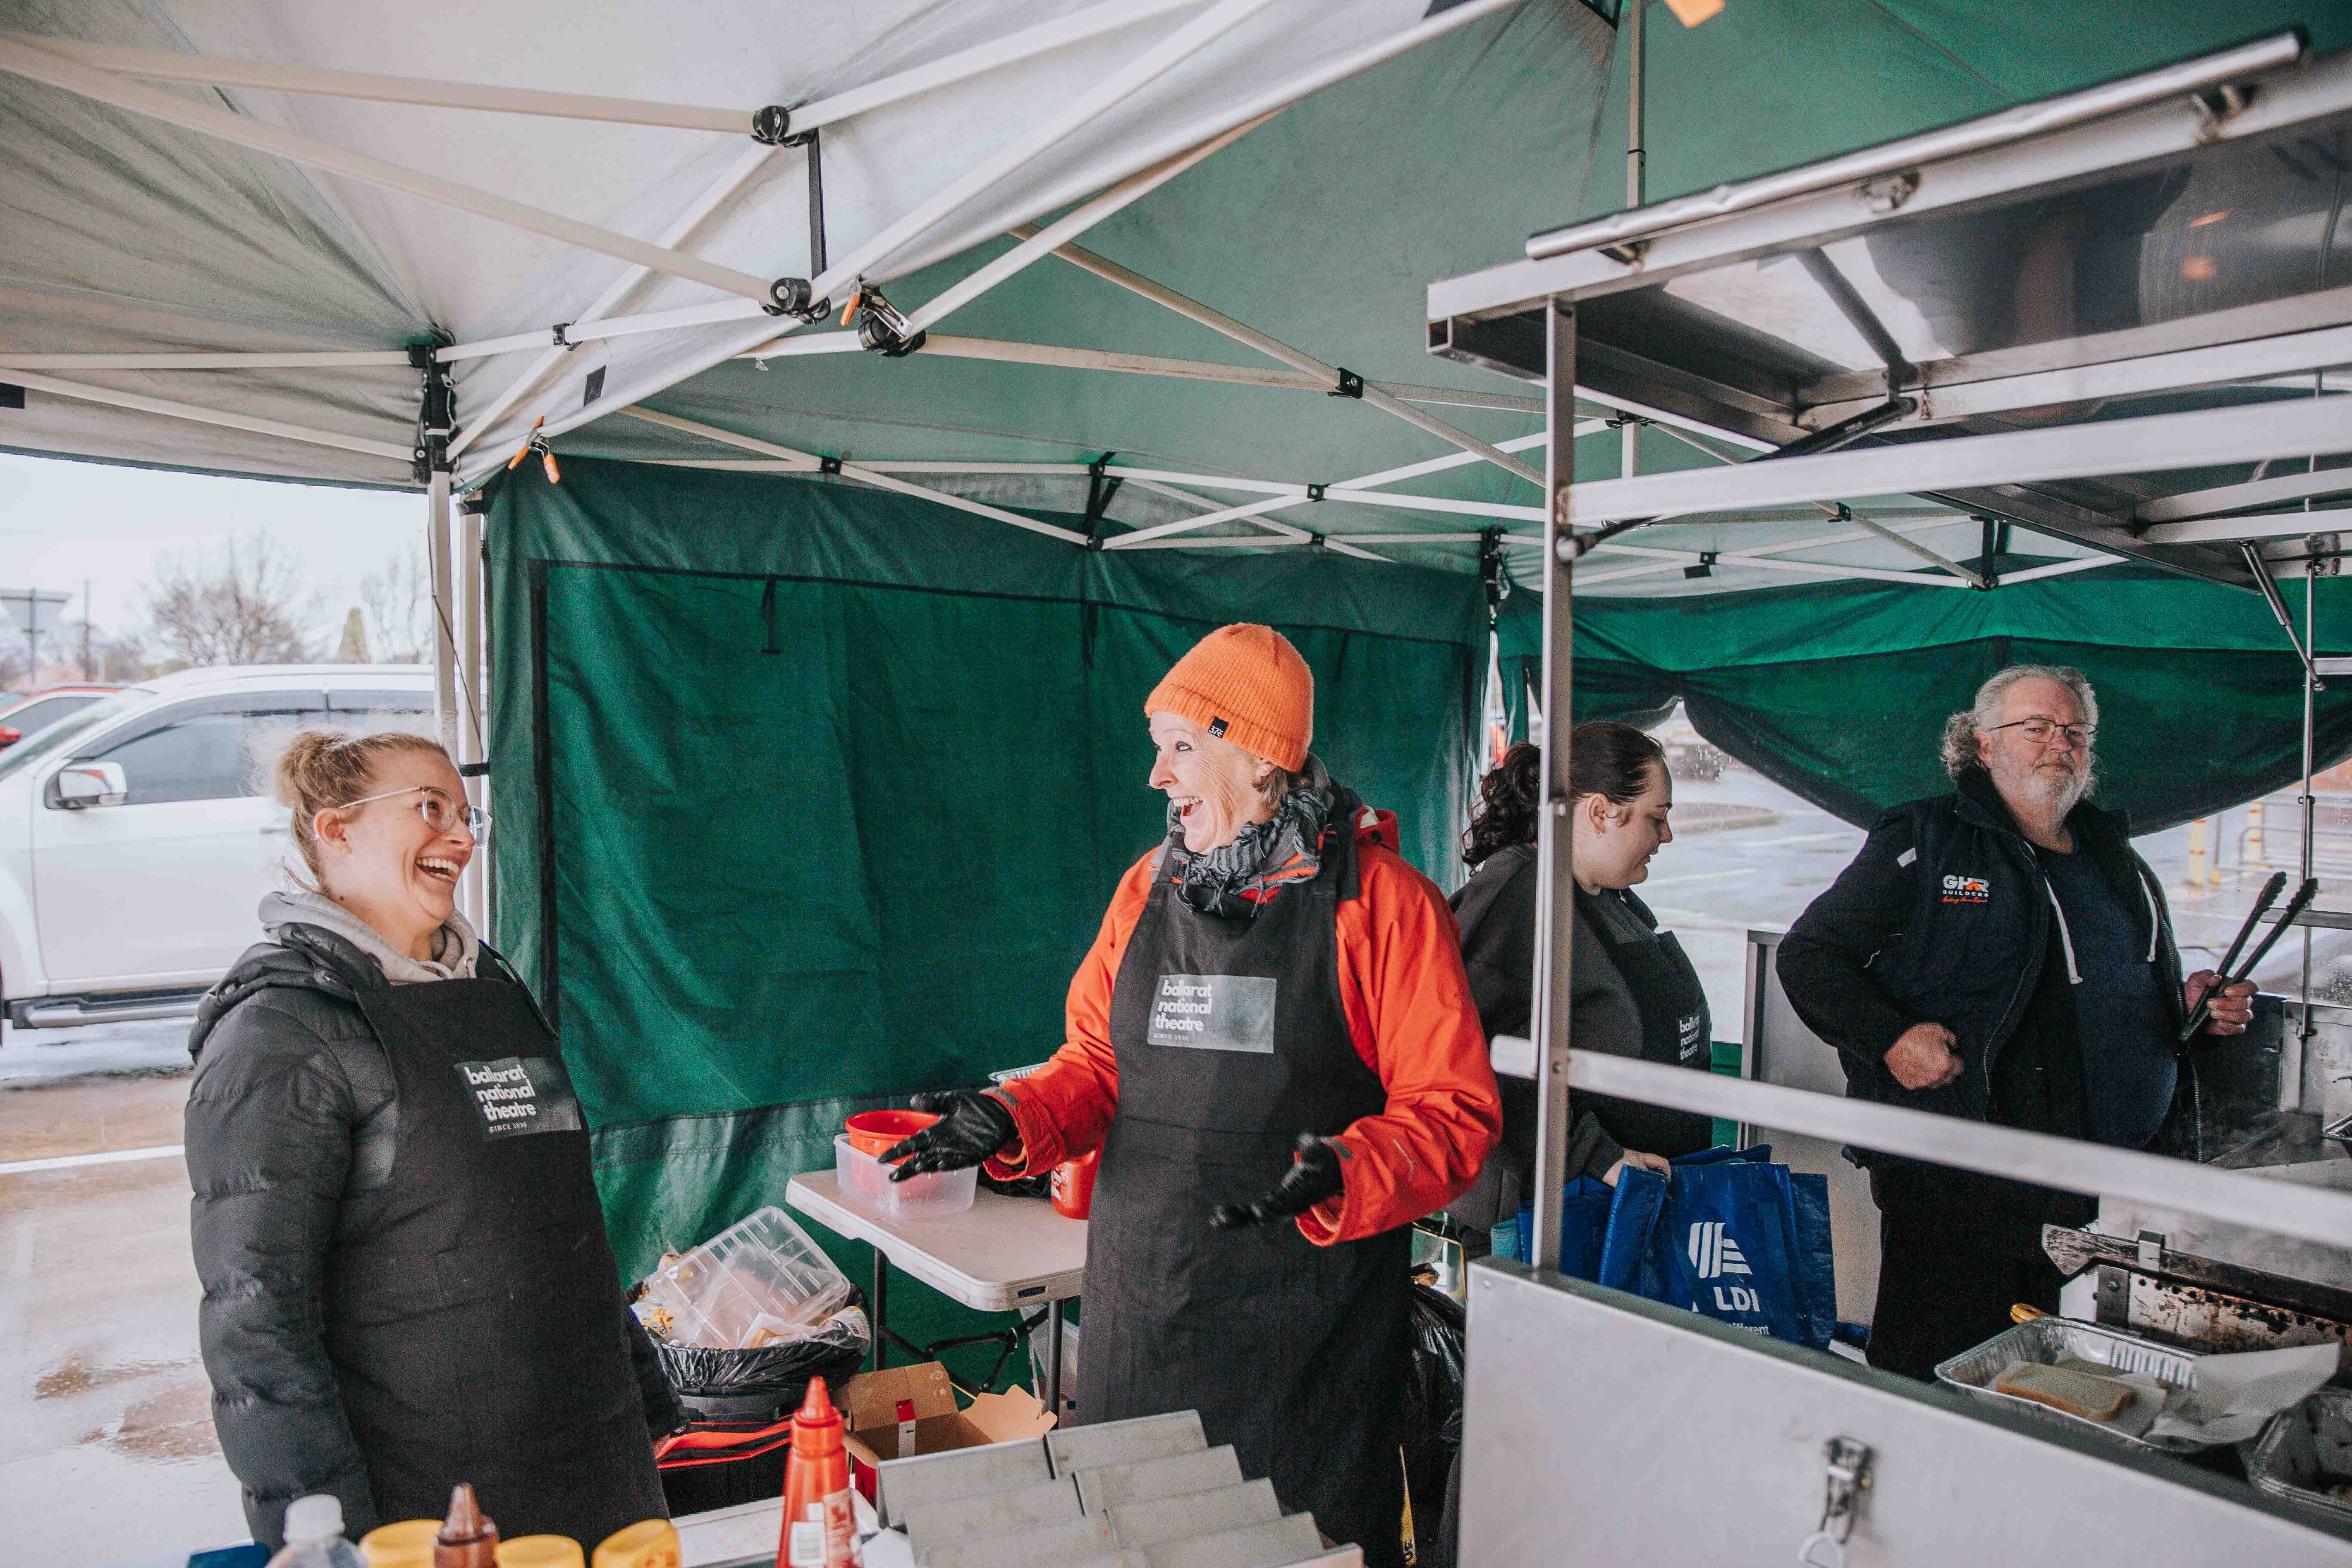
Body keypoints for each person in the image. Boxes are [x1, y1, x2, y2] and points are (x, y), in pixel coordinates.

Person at [883, 624, 1499, 1568]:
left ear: (1258, 758)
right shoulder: (1145, 888)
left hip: (1307, 1340)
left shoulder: (1383, 905)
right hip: (1144, 1311)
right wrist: (1014, 1115)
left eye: (1180, 747)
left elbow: (1452, 1114)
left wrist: (1349, 1169)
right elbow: (1097, 1062)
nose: (1157, 776)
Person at [186, 729, 680, 1548]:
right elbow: (256, 1311)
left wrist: (646, 1401)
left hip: (591, 1451)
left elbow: (560, 1217)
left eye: (464, 814)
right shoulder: (279, 1032)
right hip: (424, 1493)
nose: (459, 835)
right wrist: (322, 1532)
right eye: (429, 808)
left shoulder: (491, 989)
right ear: (336, 828)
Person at [1776, 665, 2256, 1379]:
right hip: (1961, 1180)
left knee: (2061, 1384)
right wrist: (1890, 1037)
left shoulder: (2114, 856)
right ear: (1982, 744)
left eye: (2075, 732)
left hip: (2103, 1190)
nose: (2060, 744)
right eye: (2036, 727)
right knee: (1940, 1370)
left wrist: (2189, 1011)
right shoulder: (1928, 838)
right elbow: (1810, 956)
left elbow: (2117, 987)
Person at [1446, 728, 1717, 1251]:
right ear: (1599, 813)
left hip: (1623, 1212)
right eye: (1656, 818)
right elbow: (1461, 1059)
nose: (1666, 836)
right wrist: (1595, 1156)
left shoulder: (1606, 898)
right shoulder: (1516, 900)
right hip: (1547, 1219)